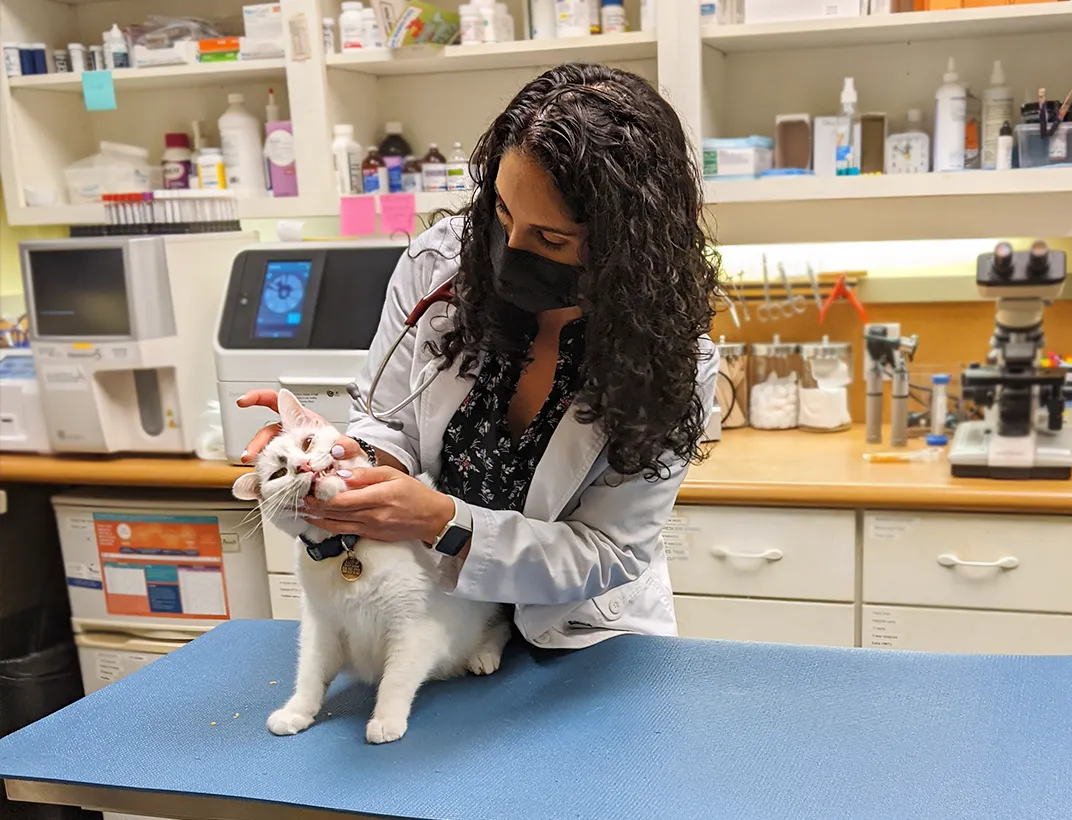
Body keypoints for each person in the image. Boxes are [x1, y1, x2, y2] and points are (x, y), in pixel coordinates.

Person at [239, 63, 721, 649]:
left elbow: (609, 548)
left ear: (626, 250)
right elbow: (389, 422)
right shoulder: (435, 268)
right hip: (438, 613)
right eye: (502, 212)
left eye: (551, 240)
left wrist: (446, 525)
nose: (509, 253)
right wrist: (351, 456)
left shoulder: (673, 360)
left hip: (579, 629)